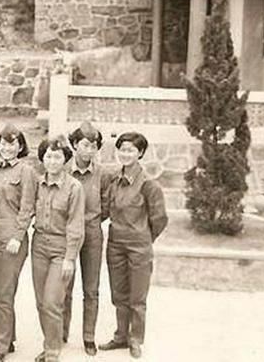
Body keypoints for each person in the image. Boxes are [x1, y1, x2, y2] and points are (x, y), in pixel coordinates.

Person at [99, 132, 168, 359]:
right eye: (122, 149)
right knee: (118, 294)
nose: (125, 154)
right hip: (115, 245)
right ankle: (121, 336)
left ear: (140, 153)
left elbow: (159, 219)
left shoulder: (149, 185)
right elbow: (104, 210)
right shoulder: (113, 180)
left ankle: (135, 339)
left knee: (137, 298)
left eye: (130, 150)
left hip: (139, 246)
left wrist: (145, 238)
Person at [0, 123, 37, 362]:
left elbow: (28, 206)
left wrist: (18, 235)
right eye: (4, 144)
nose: (7, 148)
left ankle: (0, 346)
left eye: (13, 144)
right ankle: (9, 338)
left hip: (12, 238)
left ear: (20, 146)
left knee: (4, 292)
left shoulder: (26, 171)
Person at [32, 136, 85, 362]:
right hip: (39, 246)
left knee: (52, 301)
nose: (52, 161)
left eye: (57, 157)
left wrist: (70, 258)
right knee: (40, 301)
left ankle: (52, 351)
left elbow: (76, 224)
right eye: (48, 156)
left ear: (65, 159)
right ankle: (52, 340)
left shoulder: (74, 187)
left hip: (61, 248)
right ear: (42, 158)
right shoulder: (37, 184)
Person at [62, 122, 113, 356]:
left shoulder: (102, 174)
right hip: (66, 234)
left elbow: (106, 205)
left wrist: (91, 221)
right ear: (74, 145)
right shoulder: (63, 170)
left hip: (92, 233)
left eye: (93, 146)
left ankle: (89, 337)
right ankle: (61, 332)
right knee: (65, 287)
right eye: (84, 145)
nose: (89, 150)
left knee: (91, 289)